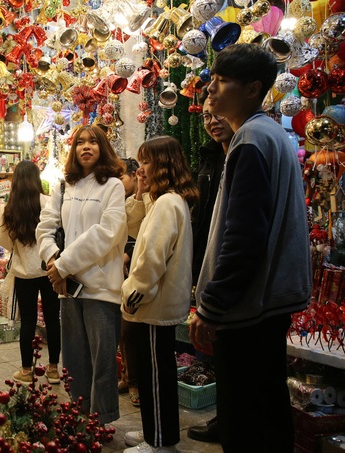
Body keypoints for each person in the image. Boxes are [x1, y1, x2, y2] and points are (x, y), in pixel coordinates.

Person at [189, 43, 311, 453]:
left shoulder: (252, 140)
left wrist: (212, 306)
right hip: (267, 304)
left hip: (249, 307)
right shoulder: (268, 134)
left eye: (222, 82)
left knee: (244, 422)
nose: (212, 90)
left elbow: (243, 237)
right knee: (268, 410)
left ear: (252, 88)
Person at [36, 124, 127, 425]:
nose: (86, 147)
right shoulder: (64, 186)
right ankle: (77, 416)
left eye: (93, 142)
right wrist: (52, 258)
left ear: (103, 148)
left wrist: (63, 266)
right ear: (73, 150)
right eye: (80, 143)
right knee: (73, 357)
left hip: (100, 288)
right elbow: (45, 226)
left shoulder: (113, 185)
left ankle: (100, 421)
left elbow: (107, 234)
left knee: (101, 360)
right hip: (68, 287)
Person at [121, 136, 199, 453]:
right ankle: (155, 432)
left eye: (147, 162)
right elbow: (134, 228)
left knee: (156, 375)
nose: (141, 169)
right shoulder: (165, 199)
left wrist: (132, 292)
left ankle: (160, 442)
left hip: (155, 304)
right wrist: (140, 192)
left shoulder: (168, 203)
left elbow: (151, 259)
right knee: (156, 371)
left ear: (163, 163)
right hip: (157, 303)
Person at [185, 88, 232, 445]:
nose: (211, 122)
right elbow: (202, 219)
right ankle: (224, 417)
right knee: (216, 352)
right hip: (208, 258)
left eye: (216, 115)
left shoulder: (245, 152)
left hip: (231, 264)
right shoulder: (207, 158)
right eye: (204, 117)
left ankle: (230, 421)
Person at [0, 160, 61, 384]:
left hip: (24, 273)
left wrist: (19, 248)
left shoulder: (8, 209)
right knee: (53, 319)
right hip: (50, 269)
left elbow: (3, 240)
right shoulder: (47, 202)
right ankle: (53, 369)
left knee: (28, 322)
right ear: (37, 179)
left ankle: (26, 371)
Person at [118, 157, 142, 407]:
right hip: (124, 275)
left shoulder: (147, 200)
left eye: (122, 176)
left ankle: (135, 380)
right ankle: (127, 375)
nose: (119, 182)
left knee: (131, 331)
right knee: (124, 332)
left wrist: (127, 254)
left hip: (138, 276)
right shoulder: (125, 201)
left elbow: (139, 235)